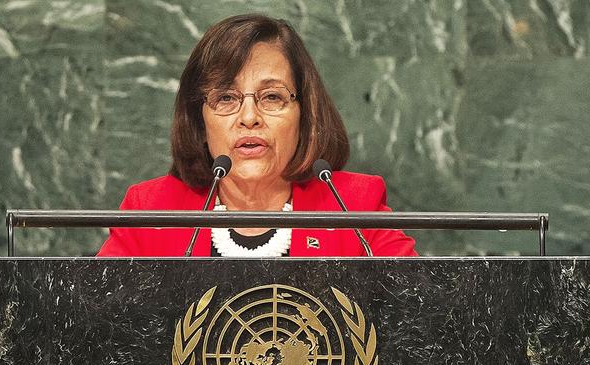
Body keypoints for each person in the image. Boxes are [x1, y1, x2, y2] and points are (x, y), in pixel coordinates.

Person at [97, 14, 417, 257]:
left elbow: (423, 317)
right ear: (199, 120)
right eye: (226, 98)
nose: (249, 118)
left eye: (272, 97)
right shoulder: (152, 213)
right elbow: (94, 330)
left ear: (304, 115)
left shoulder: (355, 207)